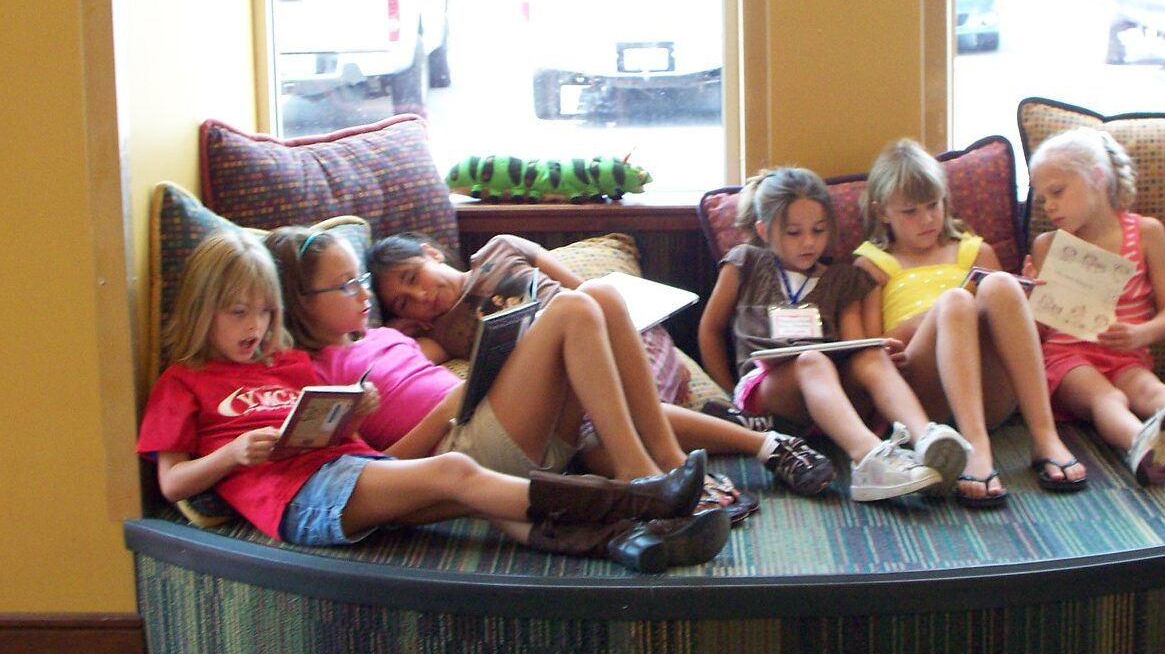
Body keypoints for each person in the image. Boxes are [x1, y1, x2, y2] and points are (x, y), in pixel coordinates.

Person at [136, 229, 728, 574]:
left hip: (361, 467)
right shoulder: (198, 380)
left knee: (591, 300)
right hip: (325, 490)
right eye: (345, 287)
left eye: (263, 312)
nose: (255, 325)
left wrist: (355, 417)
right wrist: (237, 451)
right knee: (459, 472)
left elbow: (361, 455)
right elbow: (174, 481)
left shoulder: (293, 365)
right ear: (303, 306)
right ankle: (639, 496)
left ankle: (644, 505)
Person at [366, 230, 837, 500]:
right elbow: (406, 366)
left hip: (613, 336)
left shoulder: (497, 250)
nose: (420, 297)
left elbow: (578, 289)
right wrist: (395, 331)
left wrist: (613, 324)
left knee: (614, 398)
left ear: (431, 253)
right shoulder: (439, 332)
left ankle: (766, 445)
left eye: (414, 278)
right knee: (593, 450)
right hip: (572, 381)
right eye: (403, 302)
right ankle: (711, 451)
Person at [697, 166, 971, 503]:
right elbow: (710, 329)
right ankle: (869, 457)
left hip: (828, 395)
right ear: (764, 231)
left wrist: (880, 352)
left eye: (819, 230)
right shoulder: (746, 263)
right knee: (812, 360)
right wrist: (728, 394)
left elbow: (854, 344)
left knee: (867, 355)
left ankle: (926, 438)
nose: (809, 242)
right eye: (794, 232)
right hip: (766, 392)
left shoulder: (841, 279)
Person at [853, 139, 1087, 508]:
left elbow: (1020, 337)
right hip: (924, 397)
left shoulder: (976, 250)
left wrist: (1029, 299)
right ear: (883, 213)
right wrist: (920, 323)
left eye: (934, 205)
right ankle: (976, 449)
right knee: (957, 299)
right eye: (911, 211)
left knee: (999, 283)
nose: (927, 219)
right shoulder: (873, 264)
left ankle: (1044, 436)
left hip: (989, 390)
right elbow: (869, 353)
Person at [1026, 127, 1165, 485]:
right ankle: (1140, 446)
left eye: (1057, 192)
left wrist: (1139, 333)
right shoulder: (1048, 245)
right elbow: (1037, 333)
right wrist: (1029, 296)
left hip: (1126, 356)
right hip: (1068, 361)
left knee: (1153, 391)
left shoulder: (1146, 233)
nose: (1049, 206)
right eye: (1042, 199)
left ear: (1096, 178)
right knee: (1108, 398)